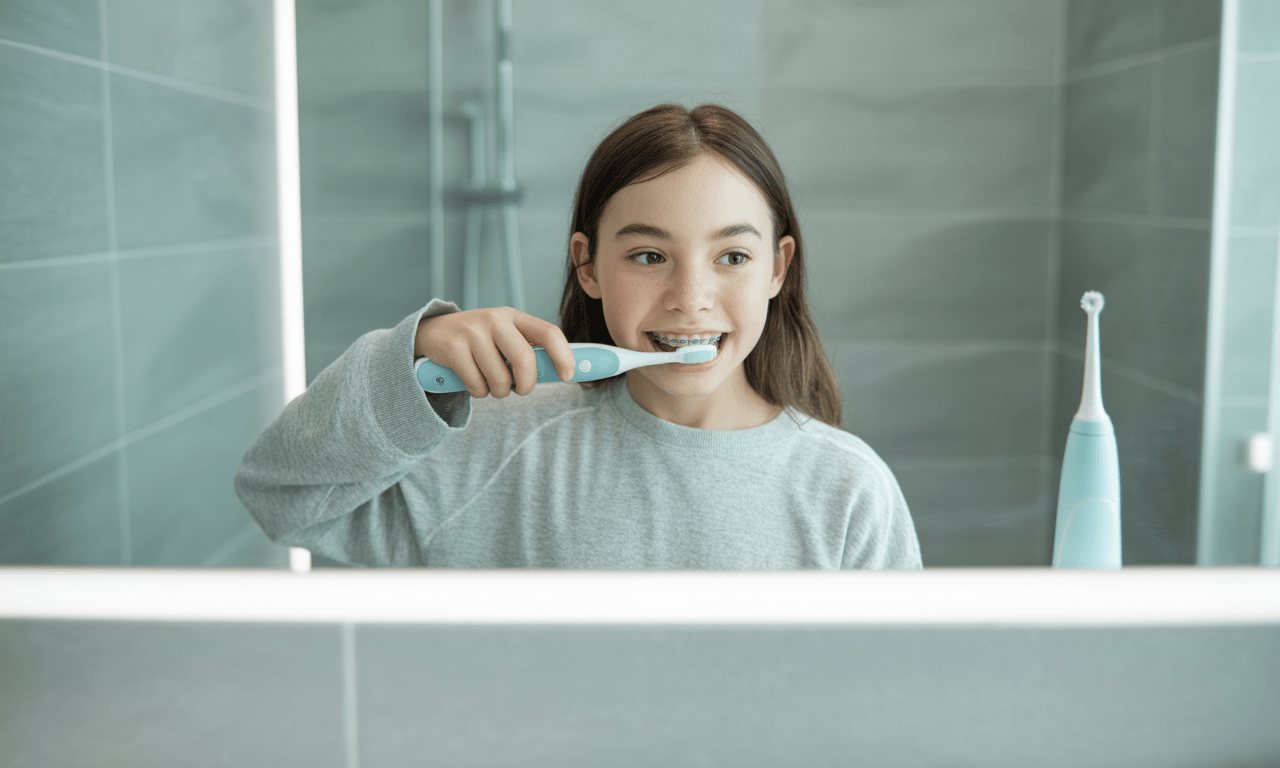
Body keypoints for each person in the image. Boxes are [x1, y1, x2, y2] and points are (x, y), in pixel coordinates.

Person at [235, 103, 923, 569]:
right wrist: (409, 356)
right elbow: (279, 496)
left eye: (733, 256)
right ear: (588, 266)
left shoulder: (848, 491)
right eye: (649, 256)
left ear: (777, 268)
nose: (690, 297)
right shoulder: (491, 445)